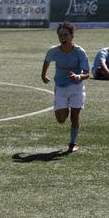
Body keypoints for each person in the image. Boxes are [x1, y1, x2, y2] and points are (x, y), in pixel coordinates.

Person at [40, 22, 90, 153]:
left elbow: (87, 73)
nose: (63, 37)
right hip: (61, 87)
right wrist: (43, 75)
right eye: (60, 35)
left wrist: (78, 77)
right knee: (61, 119)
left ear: (72, 36)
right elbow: (47, 61)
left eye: (66, 35)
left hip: (76, 88)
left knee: (75, 117)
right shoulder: (54, 50)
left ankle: (72, 144)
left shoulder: (80, 52)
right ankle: (65, 108)